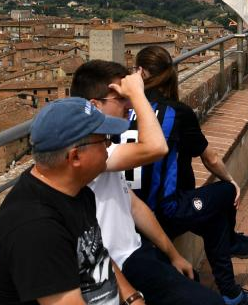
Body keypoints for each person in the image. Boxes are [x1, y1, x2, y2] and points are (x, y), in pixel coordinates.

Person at [69, 60, 225, 305]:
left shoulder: (104, 144)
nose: (129, 105)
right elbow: (157, 147)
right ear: (94, 106)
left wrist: (173, 255)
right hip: (114, 267)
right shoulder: (89, 154)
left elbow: (134, 206)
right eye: (121, 98)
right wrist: (138, 94)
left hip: (136, 253)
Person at [133, 46, 248, 305]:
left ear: (139, 73)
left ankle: (231, 294)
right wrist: (232, 182)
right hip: (165, 211)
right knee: (226, 192)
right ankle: (232, 243)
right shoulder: (176, 112)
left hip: (135, 210)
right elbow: (210, 158)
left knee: (214, 220)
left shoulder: (122, 110)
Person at [0, 97, 143, 305]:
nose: (109, 145)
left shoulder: (77, 191)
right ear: (75, 157)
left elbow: (97, 255)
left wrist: (133, 298)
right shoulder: (36, 228)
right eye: (104, 139)